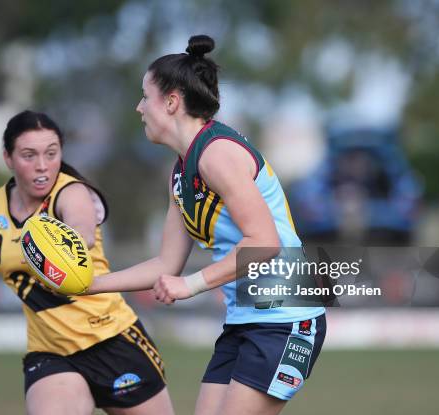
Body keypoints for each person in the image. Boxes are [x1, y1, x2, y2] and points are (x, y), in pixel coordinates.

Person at [87, 35, 326, 415]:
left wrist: (192, 285)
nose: (139, 107)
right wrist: (87, 285)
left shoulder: (217, 154)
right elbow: (166, 266)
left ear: (171, 102)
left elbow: (264, 242)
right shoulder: (182, 172)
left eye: (144, 96)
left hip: (285, 320)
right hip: (244, 321)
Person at [0, 110, 174, 415]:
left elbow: (83, 235)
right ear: (8, 158)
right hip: (51, 353)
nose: (42, 166)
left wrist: (59, 248)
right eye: (29, 155)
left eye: (51, 153)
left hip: (113, 341)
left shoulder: (71, 193)